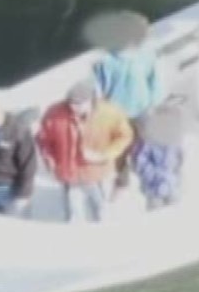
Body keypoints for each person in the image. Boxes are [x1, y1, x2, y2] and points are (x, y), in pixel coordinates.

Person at [35, 79, 133, 222]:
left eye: (80, 104)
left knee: (102, 212)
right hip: (69, 174)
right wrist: (50, 160)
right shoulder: (54, 113)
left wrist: (103, 155)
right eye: (71, 103)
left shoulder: (110, 112)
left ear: (91, 100)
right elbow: (43, 139)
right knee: (74, 216)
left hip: (98, 173)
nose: (75, 107)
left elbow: (125, 136)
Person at [88, 11, 164, 189]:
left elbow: (155, 81)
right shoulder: (105, 62)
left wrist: (154, 103)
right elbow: (99, 91)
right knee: (118, 150)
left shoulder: (146, 54)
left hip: (142, 110)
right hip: (119, 115)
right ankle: (122, 180)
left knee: (146, 145)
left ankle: (146, 174)